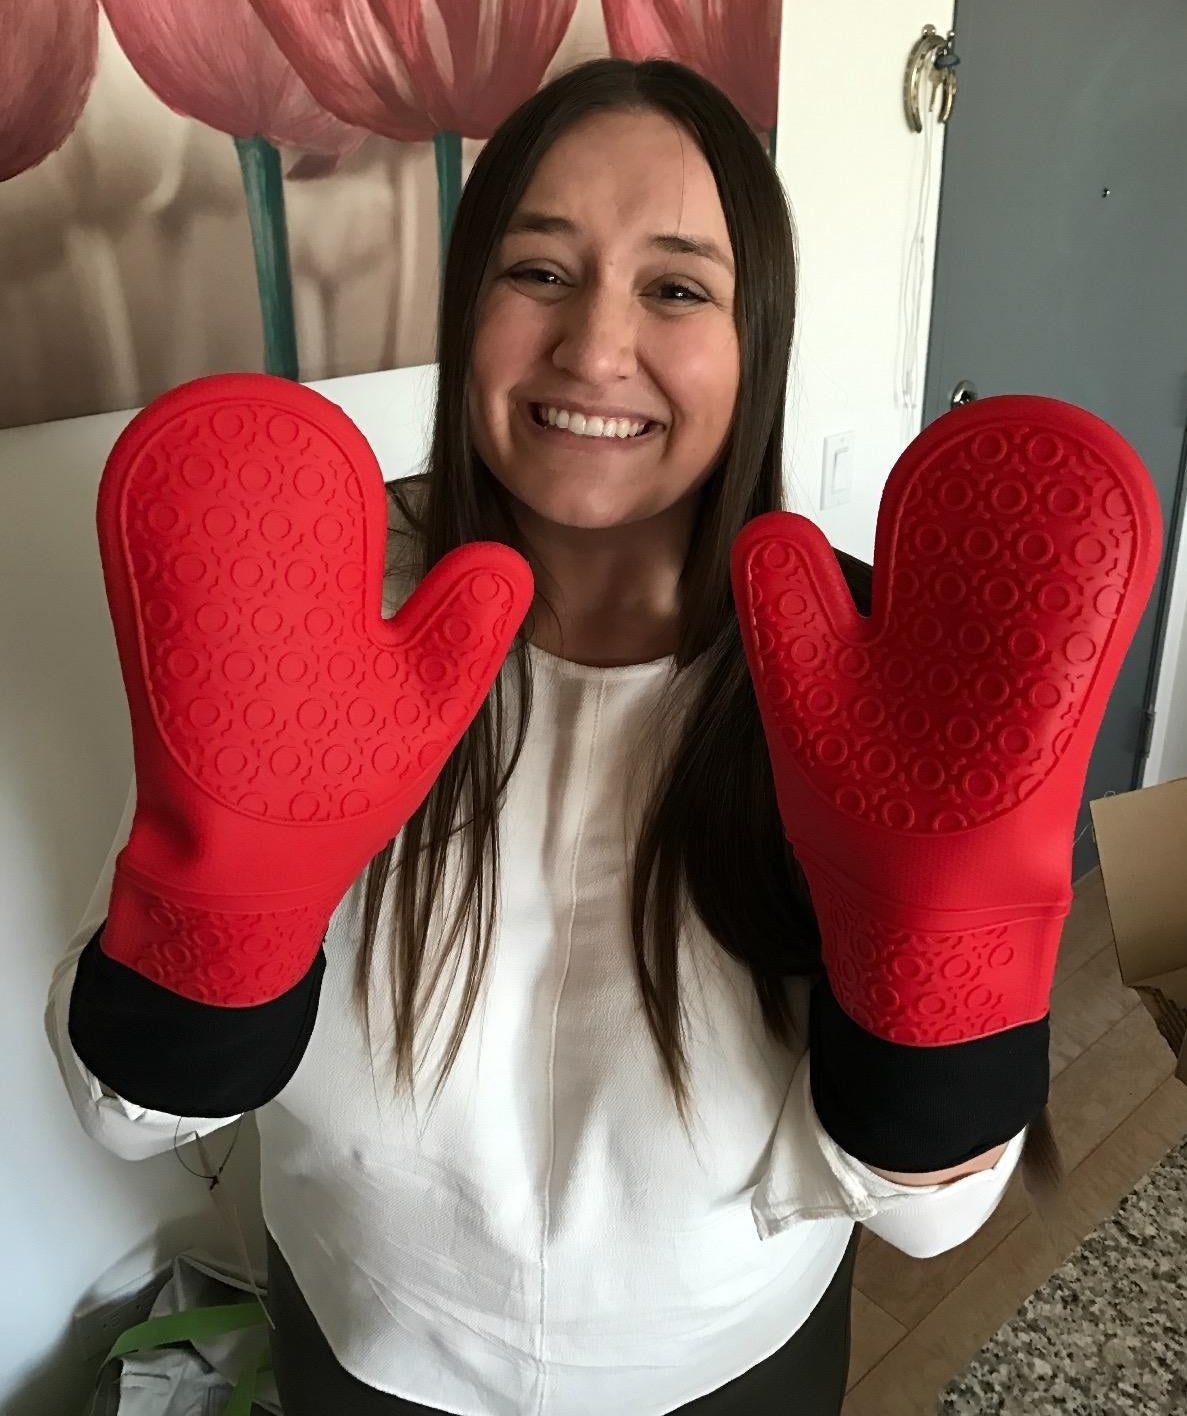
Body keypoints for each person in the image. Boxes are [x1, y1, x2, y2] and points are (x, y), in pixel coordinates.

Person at [46, 58, 1051, 1416]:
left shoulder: (866, 675)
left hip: (732, 1371)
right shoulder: (303, 614)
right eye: (538, 271)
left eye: (678, 287)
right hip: (364, 1350)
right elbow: (133, 1112)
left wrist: (936, 964)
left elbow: (930, 1219)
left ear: (759, 336)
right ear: (468, 307)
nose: (593, 348)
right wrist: (218, 930)